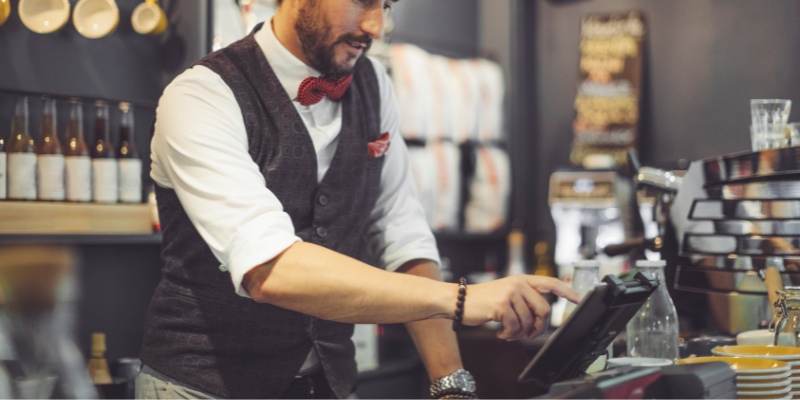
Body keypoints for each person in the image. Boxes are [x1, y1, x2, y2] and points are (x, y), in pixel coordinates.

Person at [135, 0, 581, 398]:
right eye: (362, 1)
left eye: (387, 5)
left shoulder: (373, 84)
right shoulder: (202, 95)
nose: (377, 26)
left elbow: (401, 232)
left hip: (326, 384)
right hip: (203, 386)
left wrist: (451, 385)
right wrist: (460, 300)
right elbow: (269, 269)